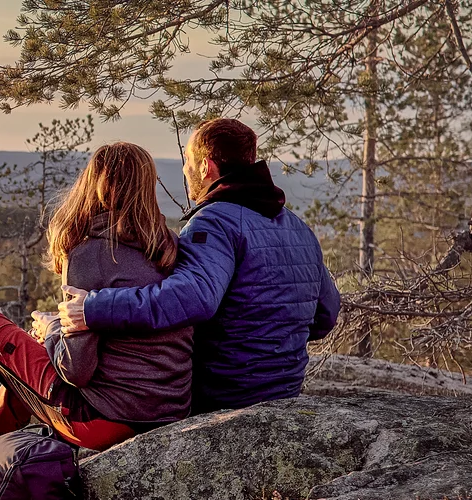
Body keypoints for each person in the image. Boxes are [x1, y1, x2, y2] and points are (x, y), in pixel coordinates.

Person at [0, 141, 194, 484]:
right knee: (31, 352)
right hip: (167, 410)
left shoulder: (91, 253)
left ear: (94, 184)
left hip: (101, 419)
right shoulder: (167, 246)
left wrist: (54, 329)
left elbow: (75, 371)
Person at [59, 118, 341, 414]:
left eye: (188, 160)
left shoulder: (214, 223)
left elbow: (193, 298)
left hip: (225, 396)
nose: (185, 169)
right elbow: (326, 315)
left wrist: (94, 308)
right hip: (285, 391)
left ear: (206, 167)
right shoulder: (297, 227)